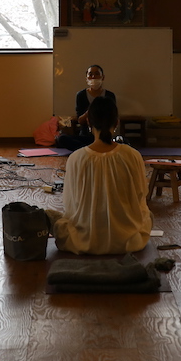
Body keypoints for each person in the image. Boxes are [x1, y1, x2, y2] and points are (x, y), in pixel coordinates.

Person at [53, 96, 152, 254]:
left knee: (56, 220)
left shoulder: (75, 158)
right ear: (117, 123)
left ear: (89, 123)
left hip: (84, 240)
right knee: (148, 215)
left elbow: (70, 204)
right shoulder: (133, 155)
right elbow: (141, 195)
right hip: (128, 241)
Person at [56, 65, 117, 151]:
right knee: (61, 139)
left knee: (122, 141)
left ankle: (86, 150)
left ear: (103, 77)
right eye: (90, 74)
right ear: (86, 78)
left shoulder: (109, 95)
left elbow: (112, 118)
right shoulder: (81, 95)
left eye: (97, 74)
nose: (93, 77)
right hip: (86, 136)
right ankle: (91, 149)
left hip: (104, 136)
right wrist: (90, 111)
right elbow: (80, 120)